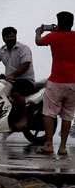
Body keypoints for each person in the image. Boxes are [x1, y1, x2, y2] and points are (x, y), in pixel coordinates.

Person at [35, 11, 75, 156]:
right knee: (67, 115)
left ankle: (49, 144)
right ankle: (63, 147)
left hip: (56, 81)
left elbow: (39, 42)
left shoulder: (53, 36)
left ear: (58, 23)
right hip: (73, 82)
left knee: (49, 113)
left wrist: (38, 32)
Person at [0, 27, 35, 130]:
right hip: (10, 81)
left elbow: (26, 65)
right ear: (3, 38)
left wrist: (12, 75)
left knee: (15, 93)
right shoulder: (3, 50)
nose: (10, 39)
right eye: (7, 37)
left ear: (15, 36)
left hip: (26, 81)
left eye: (12, 36)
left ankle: (24, 118)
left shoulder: (23, 49)